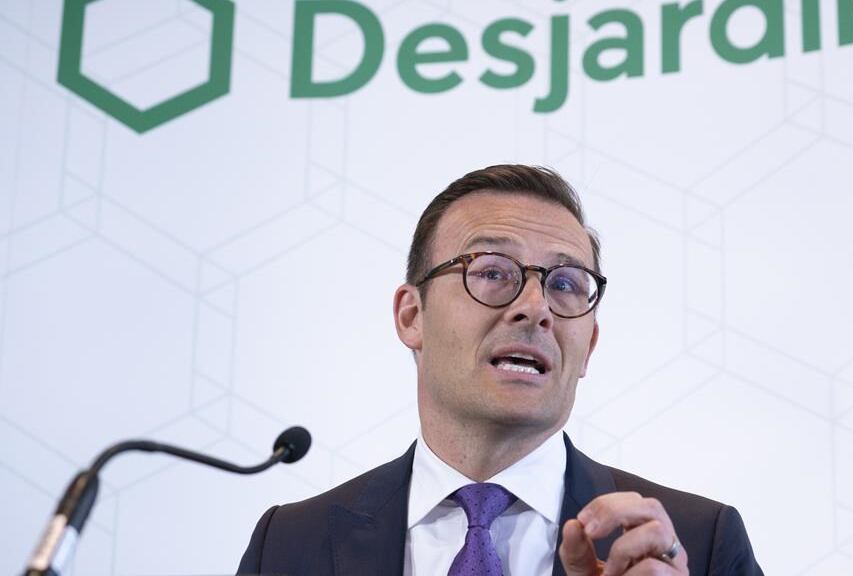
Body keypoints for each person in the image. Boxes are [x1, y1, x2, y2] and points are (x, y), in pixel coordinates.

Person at [237, 165, 763, 575]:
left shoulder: (696, 543)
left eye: (564, 284)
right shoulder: (288, 544)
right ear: (412, 316)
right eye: (492, 271)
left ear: (589, 344)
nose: (536, 307)